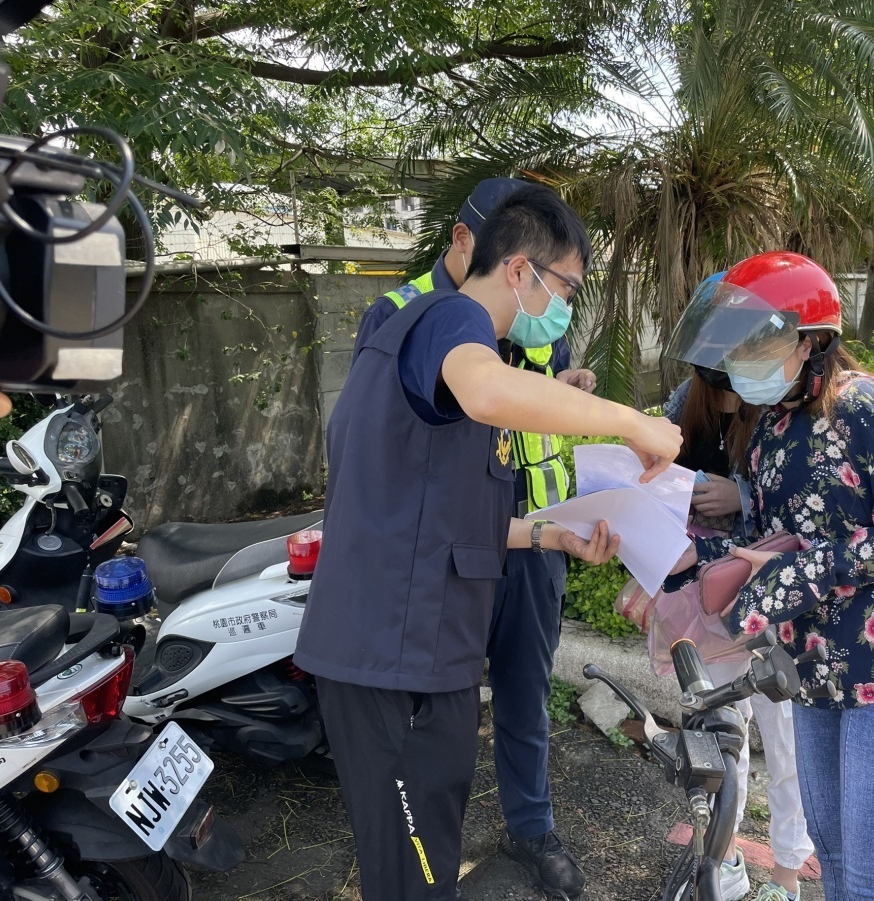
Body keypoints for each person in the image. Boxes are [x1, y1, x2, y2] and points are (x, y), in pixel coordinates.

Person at [294, 184, 681, 901]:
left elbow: (441, 515)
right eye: (566, 285)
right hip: (393, 661)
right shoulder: (446, 320)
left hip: (419, 657)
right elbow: (484, 390)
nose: (565, 305)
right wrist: (630, 420)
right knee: (411, 872)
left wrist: (548, 533)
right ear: (519, 270)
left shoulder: (467, 349)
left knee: (424, 861)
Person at [664, 251, 874, 901]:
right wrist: (695, 558)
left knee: (872, 875)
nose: (740, 358)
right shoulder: (774, 427)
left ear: (811, 340)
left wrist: (805, 568)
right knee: (834, 859)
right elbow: (774, 541)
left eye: (759, 340)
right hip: (814, 670)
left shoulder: (866, 409)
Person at [356, 176, 598, 897]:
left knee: (525, 693)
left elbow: (523, 407)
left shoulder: (528, 318)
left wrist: (566, 389)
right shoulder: (402, 314)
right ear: (466, 241)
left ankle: (531, 828)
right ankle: (424, 858)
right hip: (446, 555)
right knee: (436, 719)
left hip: (532, 544)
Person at [655, 350, 813, 901]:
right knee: (724, 734)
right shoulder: (686, 401)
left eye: (737, 389)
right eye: (717, 386)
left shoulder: (792, 406)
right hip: (709, 600)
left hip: (774, 599)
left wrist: (741, 496)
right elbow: (658, 479)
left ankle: (788, 875)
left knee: (789, 738)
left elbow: (813, 510)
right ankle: (721, 857)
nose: (730, 396)